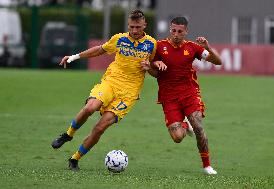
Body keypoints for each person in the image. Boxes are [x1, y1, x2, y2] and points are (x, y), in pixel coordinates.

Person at [51, 9, 158, 171]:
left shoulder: (152, 44)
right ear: (128, 25)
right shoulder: (119, 39)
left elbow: (156, 73)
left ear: (144, 25)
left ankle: (74, 159)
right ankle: (68, 134)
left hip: (128, 94)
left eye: (137, 27)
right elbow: (99, 50)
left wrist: (149, 67)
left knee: (100, 128)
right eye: (131, 27)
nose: (134, 31)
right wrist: (74, 57)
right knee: (90, 107)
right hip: (110, 83)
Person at [142, 16, 222, 175]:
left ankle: (207, 165)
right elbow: (155, 73)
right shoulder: (159, 46)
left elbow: (218, 62)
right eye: (173, 30)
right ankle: (185, 124)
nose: (176, 34)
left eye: (179, 31)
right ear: (170, 29)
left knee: (199, 128)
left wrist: (208, 47)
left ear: (186, 31)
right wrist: (151, 66)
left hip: (189, 94)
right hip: (169, 97)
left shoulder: (193, 47)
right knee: (178, 137)